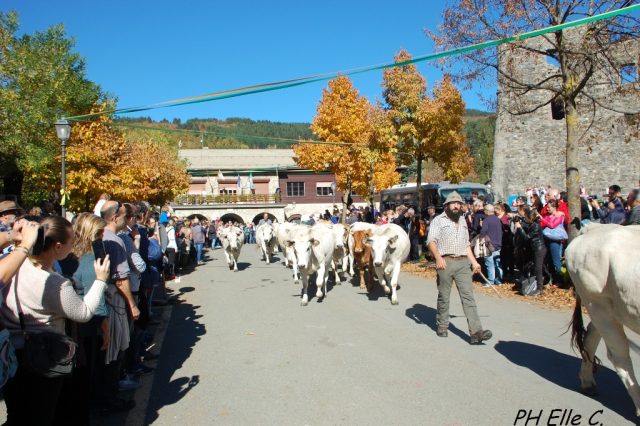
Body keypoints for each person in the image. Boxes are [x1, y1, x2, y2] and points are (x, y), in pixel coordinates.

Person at [1, 215, 110, 425]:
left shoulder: (11, 268)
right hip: (44, 357)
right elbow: (84, 312)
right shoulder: (53, 282)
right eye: (71, 242)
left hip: (11, 353)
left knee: (17, 414)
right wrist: (101, 281)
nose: (73, 247)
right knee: (41, 414)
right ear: (58, 247)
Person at [427, 191, 492, 345]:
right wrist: (438, 258)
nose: (456, 206)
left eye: (459, 203)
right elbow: (431, 241)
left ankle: (476, 332)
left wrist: (474, 262)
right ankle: (442, 325)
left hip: (463, 263)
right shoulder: (438, 220)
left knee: (468, 297)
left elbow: (466, 245)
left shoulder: (462, 220)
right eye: (453, 203)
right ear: (447, 205)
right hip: (445, 261)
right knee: (444, 295)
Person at [514, 207, 548, 296]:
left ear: (530, 218)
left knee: (538, 268)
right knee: (536, 267)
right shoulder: (532, 224)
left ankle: (540, 288)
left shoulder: (536, 226)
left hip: (539, 249)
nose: (525, 219)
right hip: (535, 248)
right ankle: (538, 284)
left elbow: (527, 237)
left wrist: (519, 228)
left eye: (526, 218)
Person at [479, 204, 503, 285]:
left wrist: (481, 238)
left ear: (487, 211)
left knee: (489, 263)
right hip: (498, 243)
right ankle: (499, 280)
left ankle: (491, 281)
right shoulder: (497, 219)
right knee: (497, 263)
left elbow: (483, 231)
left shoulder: (486, 220)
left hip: (489, 245)